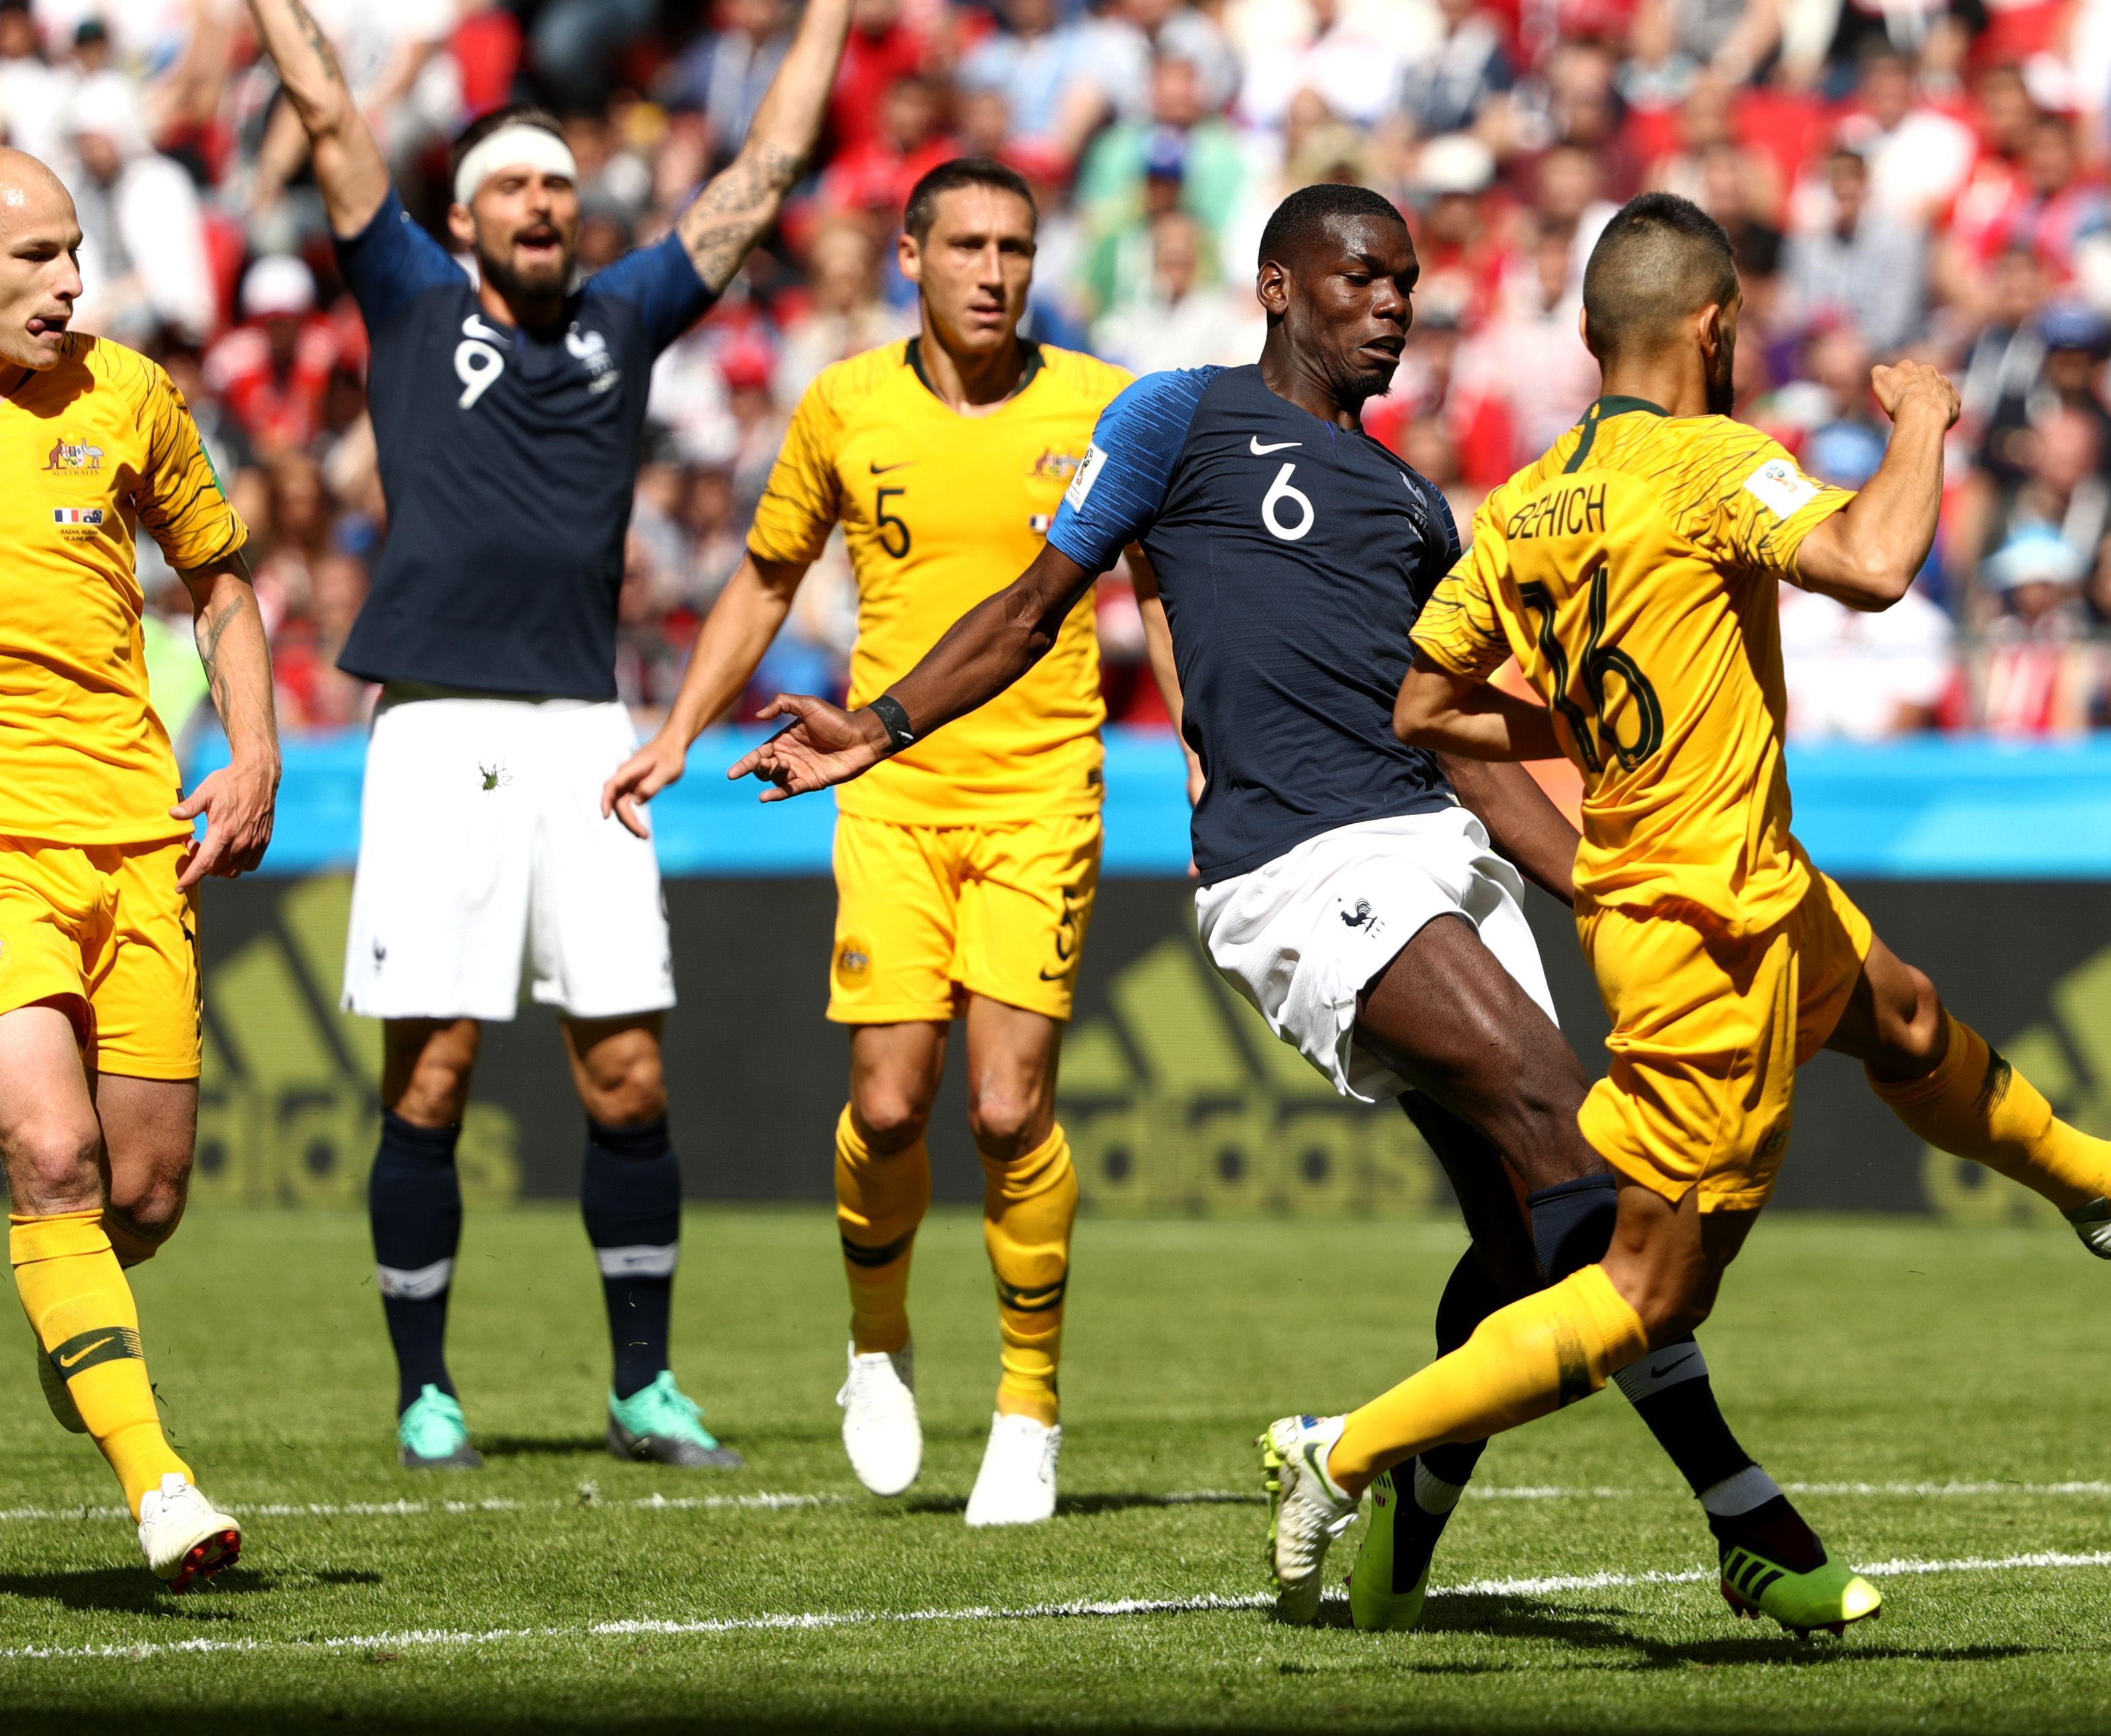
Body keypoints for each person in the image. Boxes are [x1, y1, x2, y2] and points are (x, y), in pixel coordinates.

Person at [733, 185, 1873, 1636]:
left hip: (1435, 853)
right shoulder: (1176, 419)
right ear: (1277, 286)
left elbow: (1462, 740)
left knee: (1533, 1231)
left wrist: (1601, 882)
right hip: (1299, 867)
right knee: (1565, 1132)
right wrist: (879, 724)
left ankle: (1402, 1492)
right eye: (1359, 278)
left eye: (1404, 282)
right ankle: (1741, 1514)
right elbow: (1033, 607)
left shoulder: (1413, 504)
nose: (1390, 303)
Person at [1273, 193, 2111, 1634]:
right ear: (1713, 326)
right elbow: (1870, 564)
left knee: (1902, 1012)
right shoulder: (1712, 462)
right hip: (1703, 925)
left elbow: (1423, 703)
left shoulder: (1531, 498)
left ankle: (2106, 1191)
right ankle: (1346, 1455)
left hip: (1735, 889)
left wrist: (1598, 728)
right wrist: (1922, 419)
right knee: (1646, 1293)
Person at [241, 0, 855, 1469]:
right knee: (434, 1071)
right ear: (460, 219)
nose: (544, 205)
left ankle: (641, 1386)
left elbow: (764, 169)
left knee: (626, 1074)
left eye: (561, 189)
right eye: (517, 186)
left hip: (589, 725)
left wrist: (828, 11)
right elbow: (328, 110)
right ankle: (424, 1389)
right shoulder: (405, 293)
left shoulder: (623, 315)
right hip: (437, 724)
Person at [601, 158, 1128, 1525]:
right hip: (886, 789)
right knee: (889, 1104)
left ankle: (1026, 1407)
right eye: (966, 244)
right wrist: (679, 728)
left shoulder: (1100, 404)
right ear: (911, 254)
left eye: (1015, 245)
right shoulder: (844, 404)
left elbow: (1168, 588)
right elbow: (770, 573)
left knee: (1006, 1109)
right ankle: (877, 1341)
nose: (994, 270)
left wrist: (1200, 742)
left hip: (1041, 792)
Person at [0, 146, 279, 1584]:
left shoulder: (128, 394)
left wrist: (252, 753)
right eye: (35, 262)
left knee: (145, 1198)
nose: (70, 287)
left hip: (134, 839)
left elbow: (223, 583)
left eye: (77, 255)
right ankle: (160, 1483)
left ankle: (81, 1327)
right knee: (51, 1158)